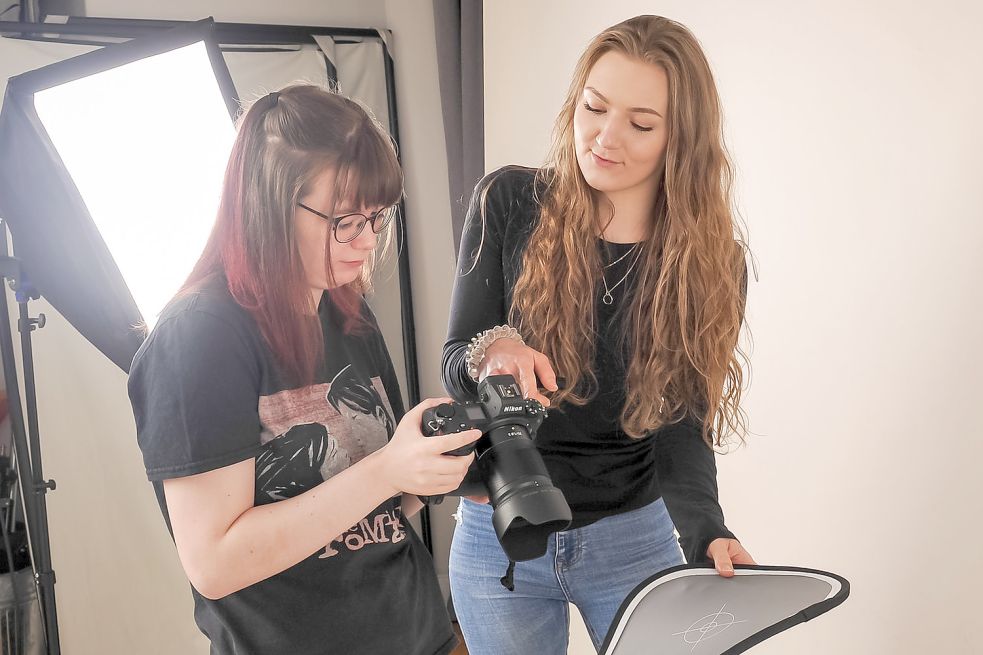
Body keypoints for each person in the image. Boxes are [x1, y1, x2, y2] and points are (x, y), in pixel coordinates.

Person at [128, 84, 480, 655]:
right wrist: (389, 471)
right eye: (346, 220)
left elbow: (372, 511)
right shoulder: (200, 336)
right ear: (269, 205)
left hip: (421, 635)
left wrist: (435, 470)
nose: (366, 241)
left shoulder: (345, 308)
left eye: (376, 218)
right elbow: (214, 563)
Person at [442, 16, 756, 654]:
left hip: (632, 535)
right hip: (502, 526)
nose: (604, 138)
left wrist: (706, 531)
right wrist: (495, 348)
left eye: (641, 124)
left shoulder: (710, 263)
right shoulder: (509, 202)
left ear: (681, 141)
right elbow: (457, 359)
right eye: (593, 107)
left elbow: (680, 421)